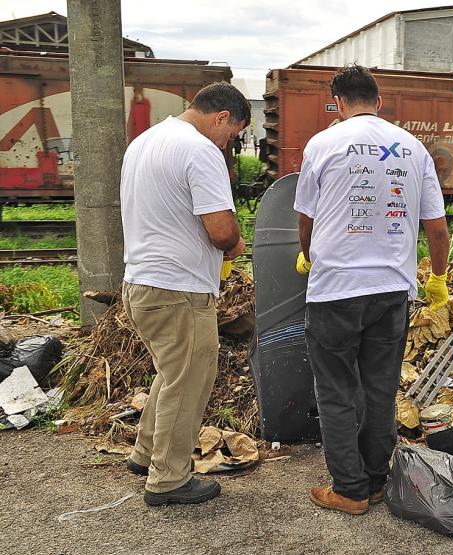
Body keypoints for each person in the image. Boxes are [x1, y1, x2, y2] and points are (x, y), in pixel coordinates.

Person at [294, 65, 450, 515]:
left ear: (337, 103)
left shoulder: (323, 144)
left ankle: (349, 489)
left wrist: (309, 255)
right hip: (391, 292)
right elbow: (436, 228)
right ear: (379, 102)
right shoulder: (413, 147)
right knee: (380, 391)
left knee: (337, 390)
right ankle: (376, 481)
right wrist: (436, 279)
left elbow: (306, 218)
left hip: (336, 291)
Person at [120, 82, 250, 506]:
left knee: (172, 373)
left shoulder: (146, 141)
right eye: (232, 135)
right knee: (190, 379)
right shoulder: (199, 149)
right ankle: (169, 479)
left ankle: (144, 454)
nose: (229, 144)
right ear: (221, 118)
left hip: (141, 282)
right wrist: (235, 243)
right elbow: (220, 230)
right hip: (178, 289)